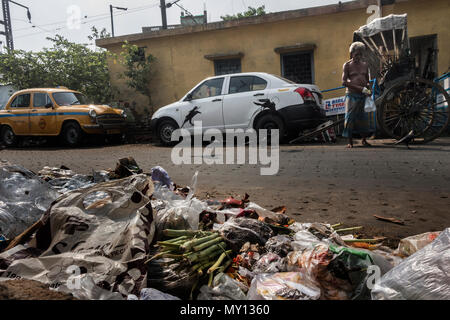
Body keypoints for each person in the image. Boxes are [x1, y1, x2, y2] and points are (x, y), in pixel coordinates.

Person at [342, 41, 373, 148]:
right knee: (350, 118)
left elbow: (367, 80)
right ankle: (350, 142)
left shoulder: (365, 65)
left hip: (363, 95)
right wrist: (359, 88)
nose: (358, 56)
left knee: (363, 119)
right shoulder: (347, 65)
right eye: (356, 54)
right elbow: (344, 82)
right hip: (351, 95)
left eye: (360, 54)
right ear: (351, 53)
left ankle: (364, 140)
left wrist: (369, 89)